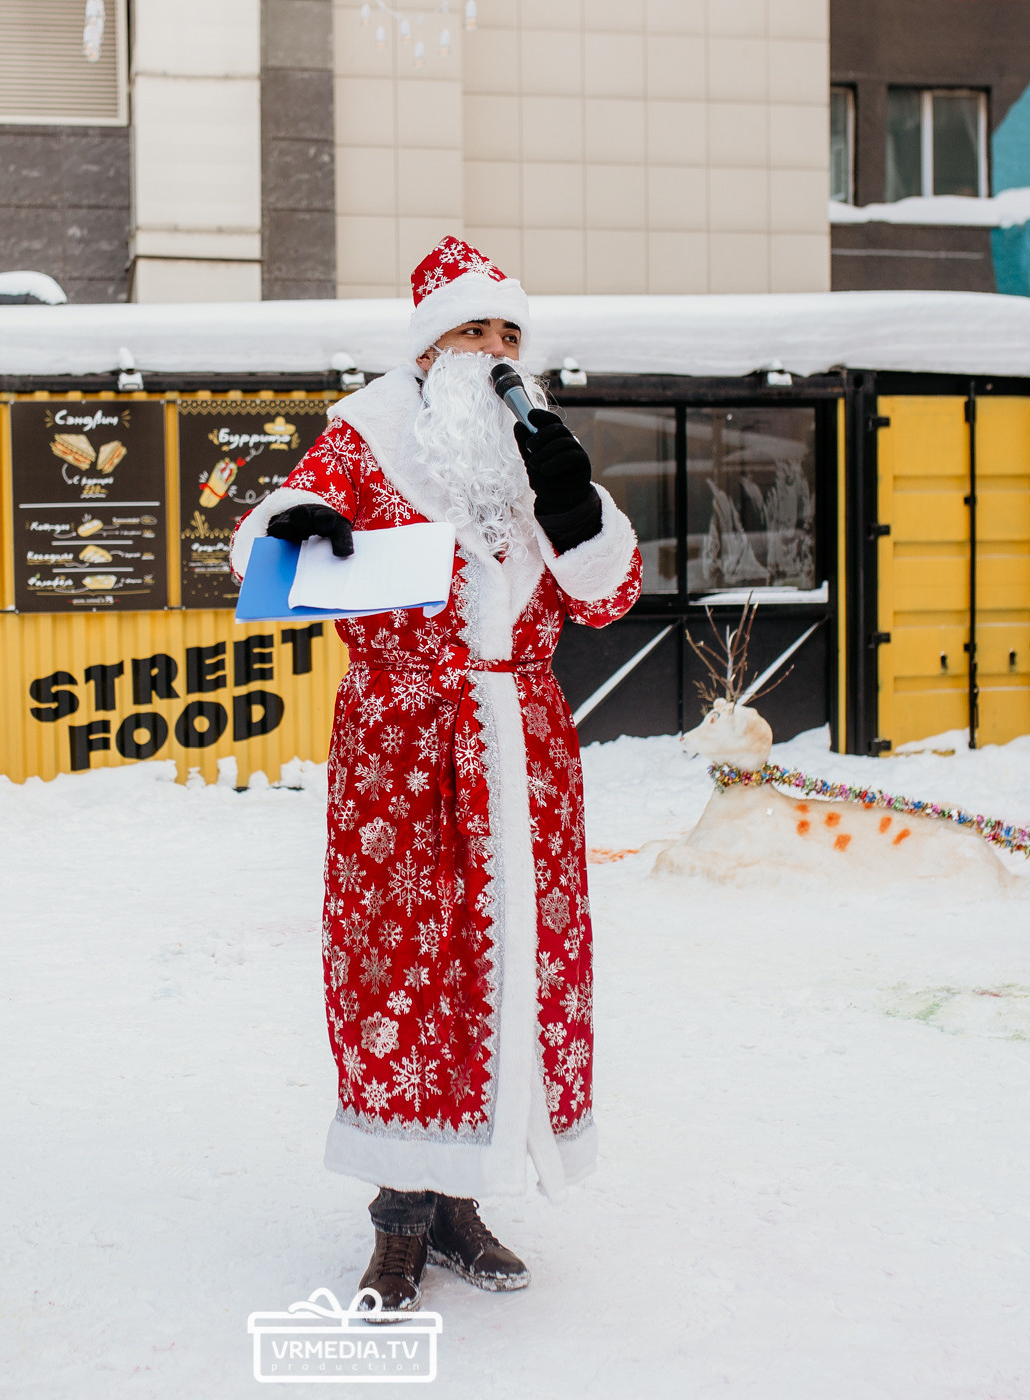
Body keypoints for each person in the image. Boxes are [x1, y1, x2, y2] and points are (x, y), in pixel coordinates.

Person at [230, 237, 643, 1313]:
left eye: (511, 332)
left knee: (511, 965)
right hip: (402, 748)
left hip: (523, 747)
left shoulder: (536, 451)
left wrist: (577, 509)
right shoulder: (362, 440)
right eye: (475, 329)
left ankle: (463, 1201)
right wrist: (294, 524)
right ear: (427, 347)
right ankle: (398, 1220)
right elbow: (257, 556)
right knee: (403, 967)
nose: (497, 350)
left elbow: (608, 597)